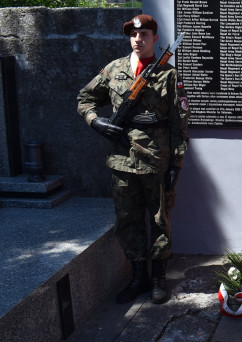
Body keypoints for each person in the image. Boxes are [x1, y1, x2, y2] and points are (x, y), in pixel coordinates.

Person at [77, 14, 190, 305]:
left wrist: (176, 164)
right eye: (133, 35)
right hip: (122, 160)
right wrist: (96, 122)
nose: (138, 39)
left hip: (157, 160)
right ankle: (138, 276)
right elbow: (85, 99)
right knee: (127, 220)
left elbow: (179, 125)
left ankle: (158, 278)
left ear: (154, 38)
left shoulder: (168, 74)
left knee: (159, 220)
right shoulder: (114, 70)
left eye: (145, 34)